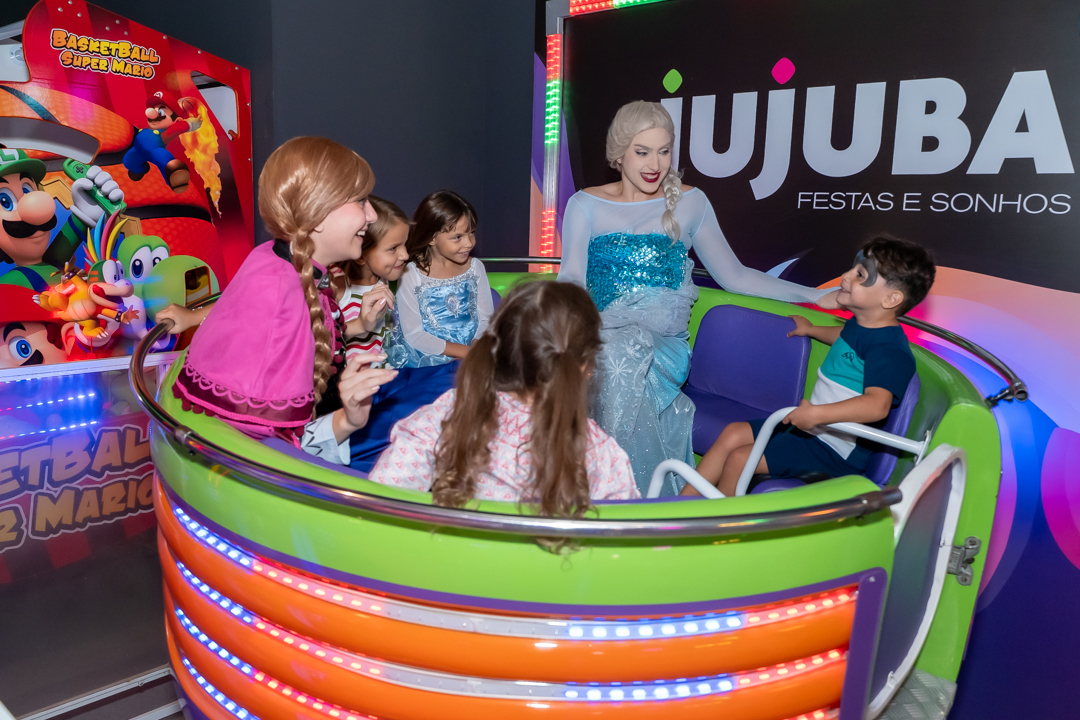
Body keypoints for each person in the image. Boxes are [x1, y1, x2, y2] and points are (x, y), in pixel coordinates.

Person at [557, 100, 840, 496]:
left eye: (664, 151)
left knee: (615, 358)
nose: (655, 164)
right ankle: (610, 493)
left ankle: (618, 496)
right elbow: (570, 278)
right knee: (595, 358)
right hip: (603, 336)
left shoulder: (692, 202)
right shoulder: (585, 205)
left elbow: (735, 276)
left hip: (662, 346)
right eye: (642, 152)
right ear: (618, 154)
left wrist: (814, 295)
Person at [167, 136, 398, 450]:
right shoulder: (281, 292)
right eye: (360, 201)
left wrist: (361, 327)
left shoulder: (275, 259)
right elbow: (276, 448)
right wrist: (348, 421)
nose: (371, 215)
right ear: (318, 212)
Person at [689, 236, 935, 497]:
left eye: (861, 275)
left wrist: (818, 414)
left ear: (891, 298)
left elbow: (877, 406)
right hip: (813, 431)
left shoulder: (889, 349)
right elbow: (844, 338)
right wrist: (811, 329)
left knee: (740, 459)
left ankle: (718, 520)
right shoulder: (863, 325)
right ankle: (680, 505)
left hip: (835, 450)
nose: (846, 275)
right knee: (732, 433)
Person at [369, 281, 640, 516]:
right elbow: (624, 544)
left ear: (498, 349)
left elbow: (382, 499)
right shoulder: (599, 453)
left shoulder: (452, 413)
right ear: (584, 367)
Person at [386, 190, 494, 368]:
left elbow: (486, 320)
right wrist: (465, 353)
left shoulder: (475, 267)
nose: (469, 243)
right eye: (457, 237)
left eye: (471, 233)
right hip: (430, 357)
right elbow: (414, 334)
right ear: (431, 238)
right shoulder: (411, 273)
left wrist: (475, 350)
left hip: (475, 349)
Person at [335, 195, 409, 362]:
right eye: (393, 248)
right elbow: (323, 340)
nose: (405, 255)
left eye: (405, 244)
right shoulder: (339, 290)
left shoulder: (385, 280)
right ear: (362, 255)